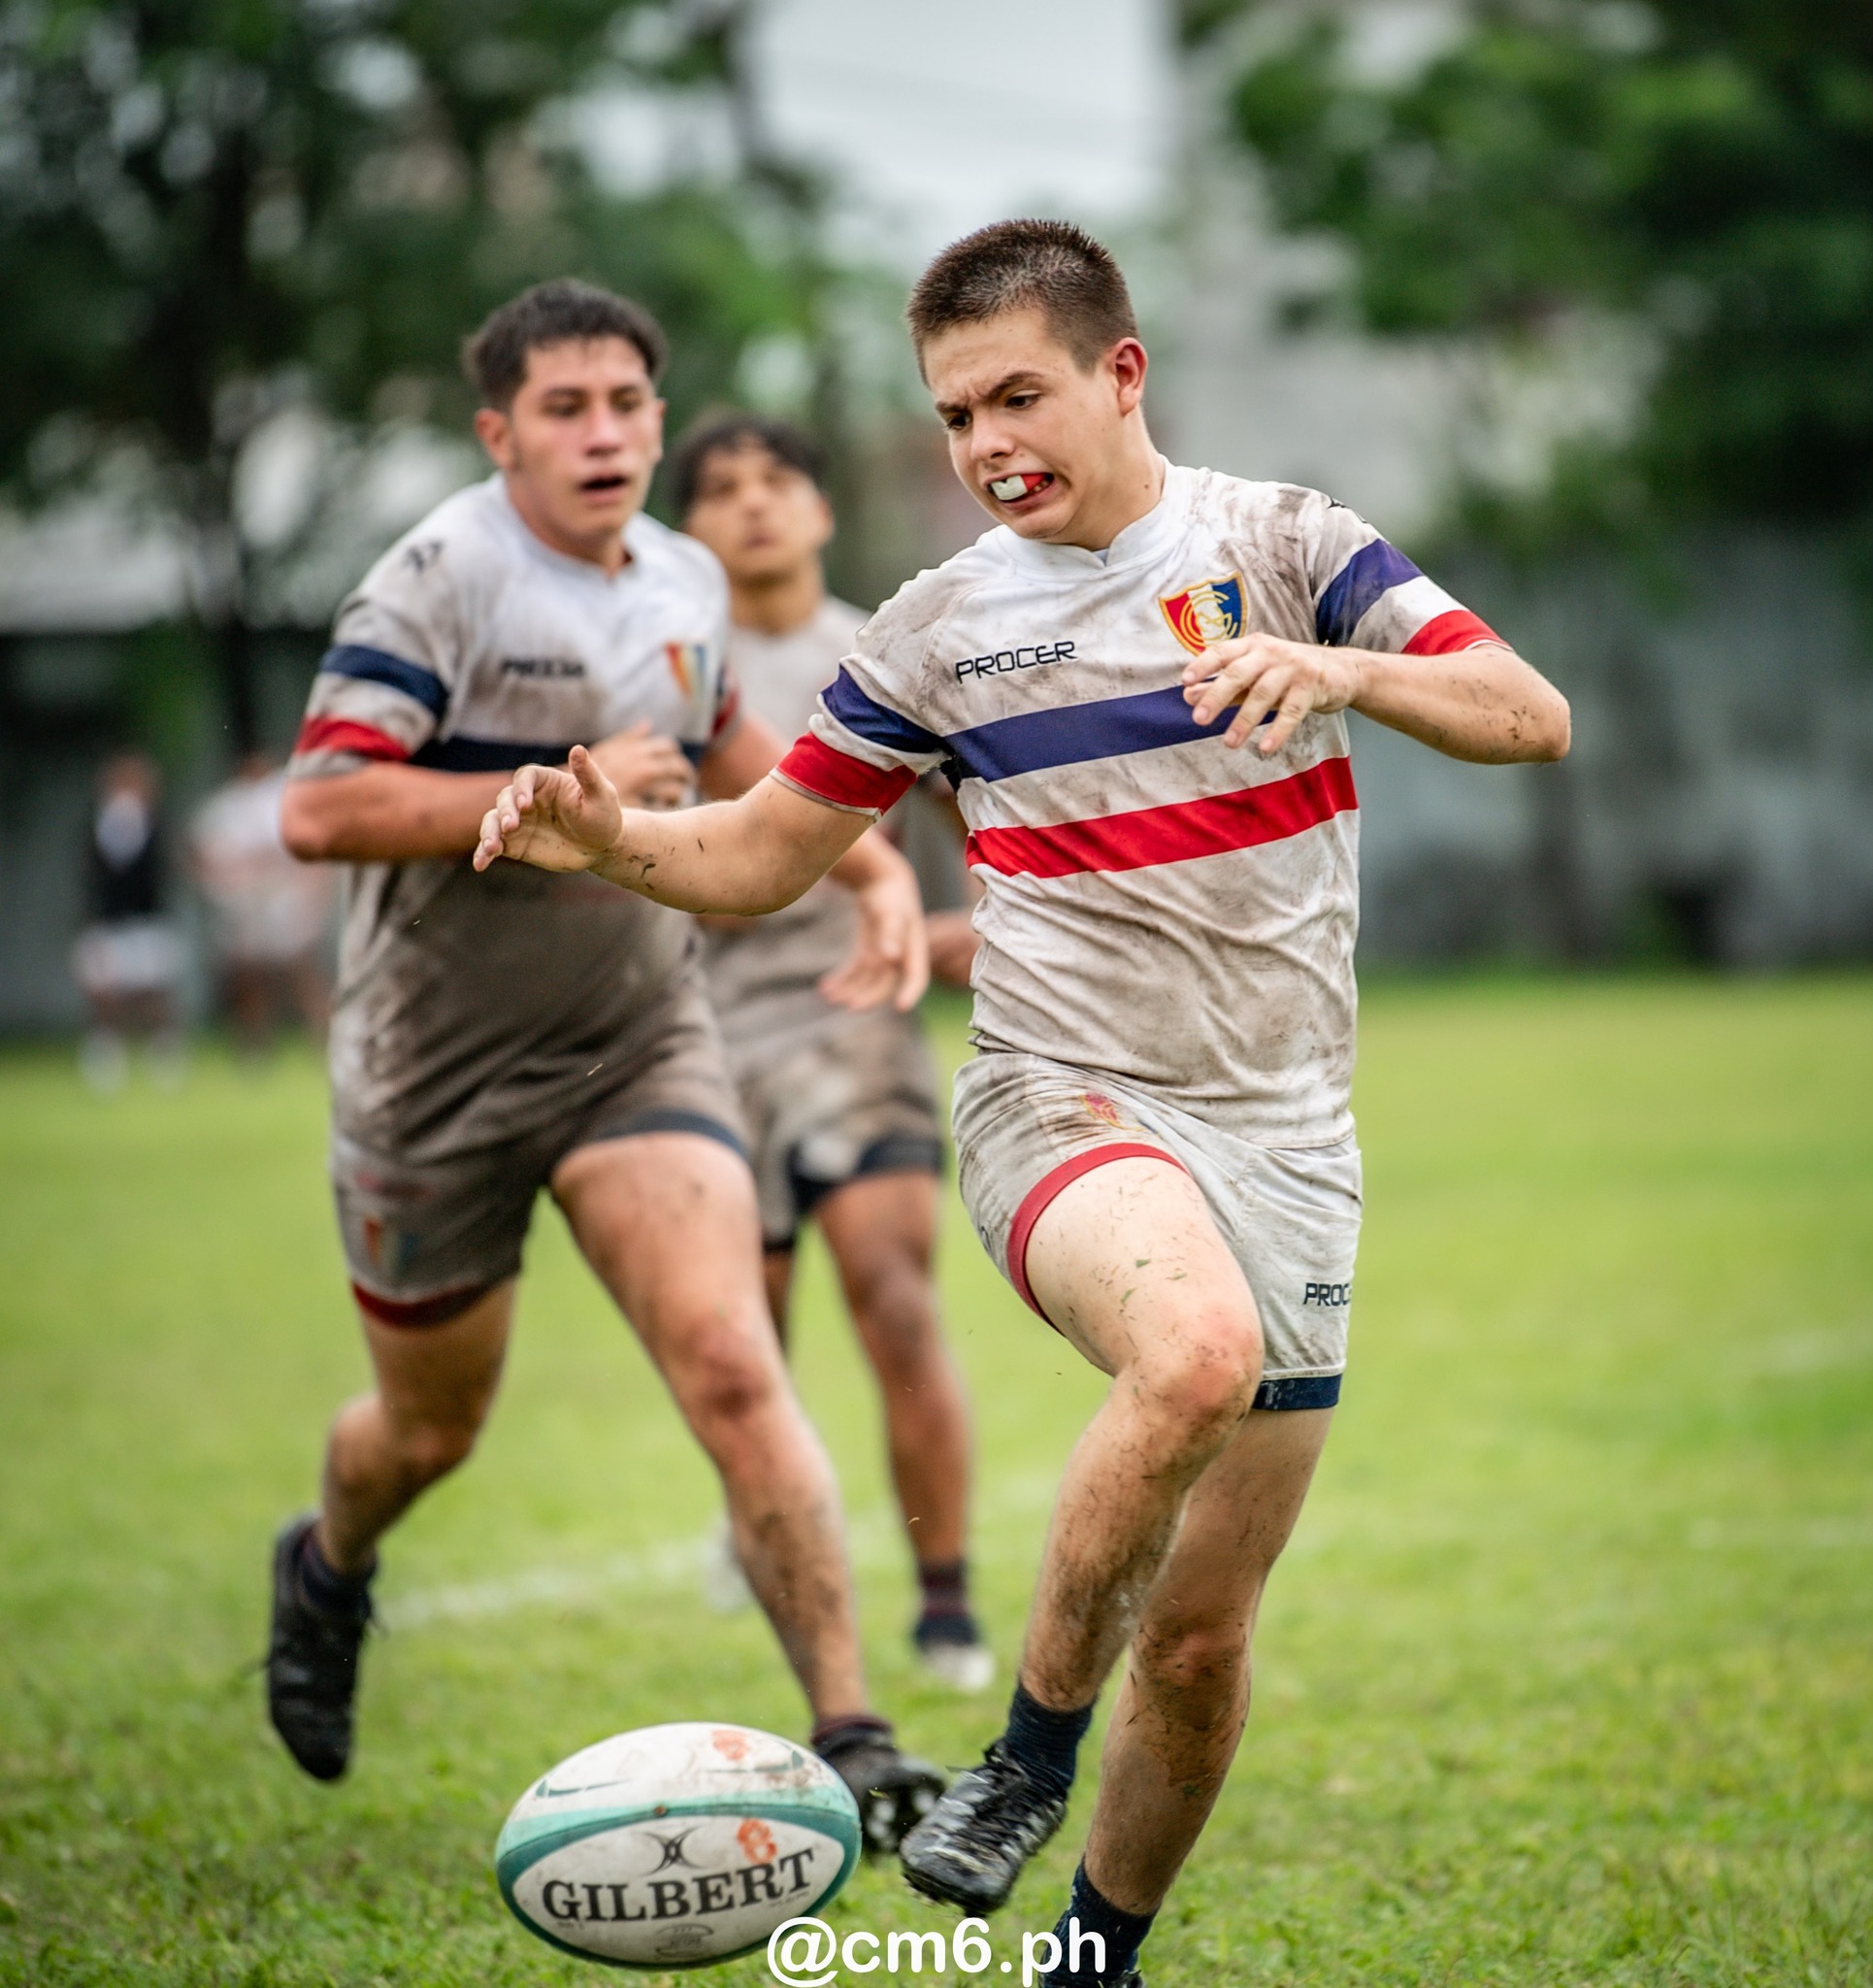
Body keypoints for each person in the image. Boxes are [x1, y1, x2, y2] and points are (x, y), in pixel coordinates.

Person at [472, 222, 1571, 1987]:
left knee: (1204, 1638)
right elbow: (761, 853)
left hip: (1290, 1136)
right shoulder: (939, 627)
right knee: (1194, 1351)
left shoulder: (1288, 545)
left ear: (1120, 373)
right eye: (954, 412)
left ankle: (1090, 1957)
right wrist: (612, 840)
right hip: (1062, 1098)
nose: (986, 445)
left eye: (1017, 396)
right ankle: (1024, 1753)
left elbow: (1531, 714)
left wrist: (1347, 669)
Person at [266, 277, 945, 1851]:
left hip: (631, 1034)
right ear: (499, 432)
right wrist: (540, 798)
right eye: (564, 409)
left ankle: (855, 1732)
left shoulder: (688, 577)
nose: (603, 433)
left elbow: (718, 750)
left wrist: (863, 862)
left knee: (729, 1356)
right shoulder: (434, 579)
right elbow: (323, 806)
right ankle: (329, 1561)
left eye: (628, 402)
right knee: (427, 1430)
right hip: (429, 1068)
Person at [670, 413, 990, 1691]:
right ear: (685, 527)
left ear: (819, 509)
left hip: (855, 1014)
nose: (752, 505)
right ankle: (755, 1503)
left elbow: (994, 809)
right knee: (746, 1333)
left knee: (895, 1300)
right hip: (692, 1032)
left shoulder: (884, 650)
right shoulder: (662, 661)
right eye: (721, 489)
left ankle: (948, 1603)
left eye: (777, 481)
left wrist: (983, 925)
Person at [191, 752, 335, 1052]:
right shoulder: (225, 808)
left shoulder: (286, 796)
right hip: (245, 904)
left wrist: (313, 896)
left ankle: (322, 1036)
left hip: (286, 901)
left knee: (303, 971)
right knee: (249, 977)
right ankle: (255, 1041)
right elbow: (207, 860)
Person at [73, 752, 185, 1090]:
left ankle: (164, 1059)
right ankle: (106, 1060)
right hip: (109, 923)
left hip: (148, 921)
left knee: (155, 994)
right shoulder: (97, 824)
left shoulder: (155, 823)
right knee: (105, 996)